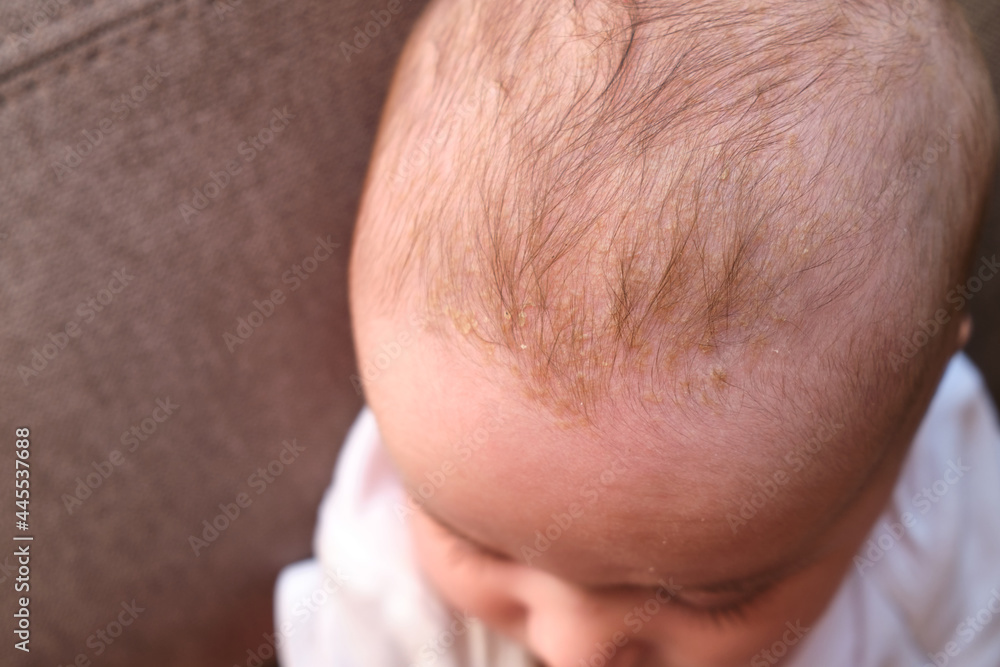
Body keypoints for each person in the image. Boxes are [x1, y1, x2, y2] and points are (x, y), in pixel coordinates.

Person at [277, 0, 1000, 664]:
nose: (573, 650)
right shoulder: (387, 550)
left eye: (709, 597)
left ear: (909, 420)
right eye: (476, 547)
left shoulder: (942, 507)